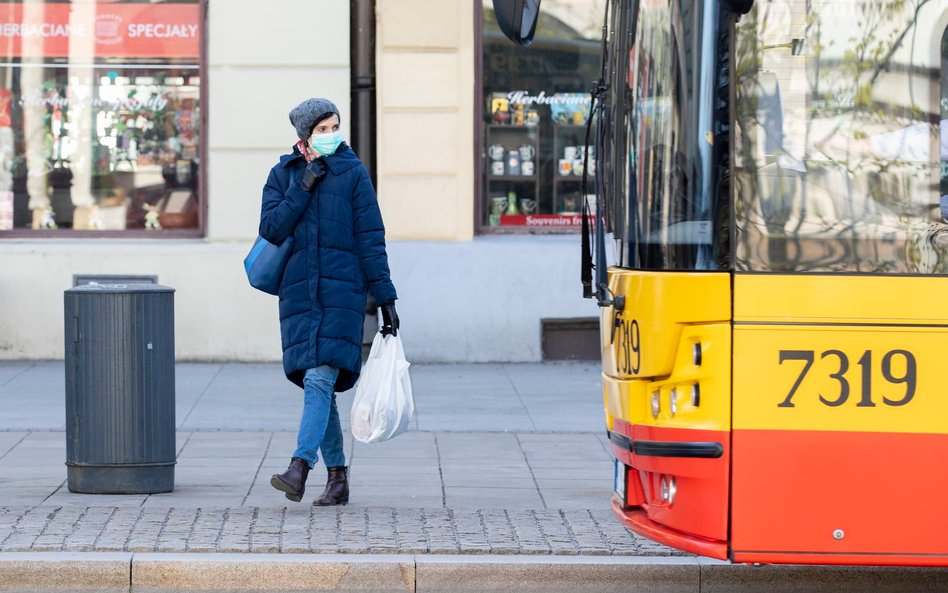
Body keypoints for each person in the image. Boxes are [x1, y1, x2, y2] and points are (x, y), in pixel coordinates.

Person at [258, 97, 399, 506]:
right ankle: (338, 478)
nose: (330, 135)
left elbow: (371, 237)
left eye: (334, 126)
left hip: (342, 291)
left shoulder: (353, 173)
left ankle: (299, 467)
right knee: (317, 385)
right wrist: (303, 187)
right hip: (300, 290)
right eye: (322, 129)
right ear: (304, 134)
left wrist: (385, 297)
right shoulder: (282, 174)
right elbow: (271, 227)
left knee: (320, 377)